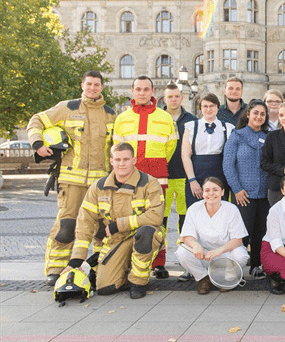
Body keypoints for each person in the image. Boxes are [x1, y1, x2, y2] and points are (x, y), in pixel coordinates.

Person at [27, 70, 116, 285]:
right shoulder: (67, 108)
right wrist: (38, 144)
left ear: (101, 87)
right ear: (82, 85)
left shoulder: (111, 114)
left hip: (99, 184)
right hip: (71, 181)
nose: (93, 88)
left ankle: (98, 269)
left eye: (97, 85)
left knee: (101, 230)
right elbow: (37, 120)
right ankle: (56, 270)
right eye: (89, 84)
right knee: (67, 227)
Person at [66, 143, 163, 299]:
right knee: (105, 288)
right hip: (115, 240)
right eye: (117, 159)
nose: (121, 163)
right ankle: (121, 270)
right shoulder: (99, 186)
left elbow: (155, 216)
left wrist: (119, 224)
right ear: (111, 161)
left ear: (134, 160)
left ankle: (138, 282)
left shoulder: (149, 183)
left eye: (126, 159)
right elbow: (85, 221)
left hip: (143, 235)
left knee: (146, 234)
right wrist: (77, 258)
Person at [113, 76, 178, 279]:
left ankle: (158, 262)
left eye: (146, 89)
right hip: (129, 174)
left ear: (152, 91)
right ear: (132, 91)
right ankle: (129, 260)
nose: (142, 93)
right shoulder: (122, 118)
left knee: (159, 219)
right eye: (138, 89)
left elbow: (171, 146)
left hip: (157, 173)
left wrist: (156, 164)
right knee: (129, 216)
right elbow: (116, 148)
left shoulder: (165, 117)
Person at [176, 177, 250, 295]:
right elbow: (187, 236)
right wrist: (195, 245)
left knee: (241, 256)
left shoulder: (231, 209)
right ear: (203, 193)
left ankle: (228, 278)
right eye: (207, 190)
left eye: (215, 190)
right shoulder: (194, 209)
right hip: (203, 254)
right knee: (182, 253)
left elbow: (237, 240)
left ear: (222, 192)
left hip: (225, 252)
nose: (211, 194)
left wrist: (219, 251)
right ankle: (204, 278)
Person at [223, 100, 270, 280]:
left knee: (261, 231)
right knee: (241, 233)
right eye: (255, 113)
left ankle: (256, 265)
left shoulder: (269, 136)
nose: (259, 116)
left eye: (262, 114)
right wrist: (237, 189)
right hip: (243, 194)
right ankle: (234, 268)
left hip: (264, 194)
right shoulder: (237, 135)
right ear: (248, 114)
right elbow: (228, 165)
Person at [161, 83, 196, 281]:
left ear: (181, 98)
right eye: (170, 97)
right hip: (163, 176)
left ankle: (186, 262)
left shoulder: (191, 120)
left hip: (183, 177)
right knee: (161, 221)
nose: (173, 99)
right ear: (164, 99)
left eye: (176, 96)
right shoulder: (158, 118)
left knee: (185, 221)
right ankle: (160, 261)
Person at [182, 94, 235, 209]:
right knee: (196, 212)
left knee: (219, 212)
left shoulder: (228, 128)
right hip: (197, 175)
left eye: (212, 106)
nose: (208, 109)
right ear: (200, 108)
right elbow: (185, 155)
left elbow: (231, 157)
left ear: (217, 107)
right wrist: (192, 180)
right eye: (205, 106)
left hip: (220, 176)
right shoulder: (191, 127)